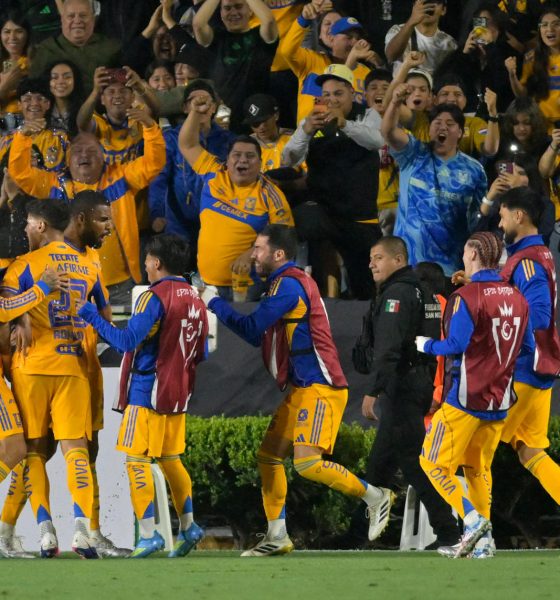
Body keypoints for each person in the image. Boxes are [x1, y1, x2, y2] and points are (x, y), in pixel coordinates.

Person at [201, 224, 394, 556]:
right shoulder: (283, 284)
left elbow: (251, 326)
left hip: (321, 387)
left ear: (279, 254)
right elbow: (255, 335)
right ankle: (277, 535)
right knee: (269, 457)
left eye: (258, 249)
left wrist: (214, 303)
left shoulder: (289, 286)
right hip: (303, 388)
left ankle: (375, 496)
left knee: (307, 464)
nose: (253, 255)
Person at [78, 234, 208, 559]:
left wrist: (92, 316)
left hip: (147, 391)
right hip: (179, 391)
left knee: (136, 461)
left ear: (156, 263)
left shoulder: (154, 296)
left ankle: (149, 535)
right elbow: (201, 350)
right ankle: (190, 527)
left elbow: (126, 341)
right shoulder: (194, 297)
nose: (145, 265)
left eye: (148, 259)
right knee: (170, 460)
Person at [0, 198, 110, 559]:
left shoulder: (25, 265)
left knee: (33, 450)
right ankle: (82, 531)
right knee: (75, 449)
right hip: (73, 366)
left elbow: (2, 309)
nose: (26, 228)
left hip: (31, 366)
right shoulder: (87, 265)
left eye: (30, 222)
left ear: (42, 225)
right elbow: (104, 316)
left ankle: (46, 532)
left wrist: (26, 310)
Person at [417, 231, 532, 558]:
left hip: (465, 400)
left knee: (432, 463)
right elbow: (526, 349)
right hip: (499, 401)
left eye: (466, 255)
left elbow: (455, 346)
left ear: (474, 257)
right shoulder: (518, 298)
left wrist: (425, 344)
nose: (463, 259)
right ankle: (485, 544)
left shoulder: (466, 297)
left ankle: (472, 521)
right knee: (477, 469)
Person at [7, 103, 166, 309]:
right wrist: (23, 137)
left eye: (92, 150)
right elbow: (20, 173)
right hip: (68, 285)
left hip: (120, 287)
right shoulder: (54, 186)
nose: (84, 155)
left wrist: (150, 127)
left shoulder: (121, 178)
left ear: (103, 157)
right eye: (78, 150)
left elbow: (155, 162)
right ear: (68, 159)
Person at [360, 236, 460, 549]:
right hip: (416, 382)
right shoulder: (425, 292)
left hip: (401, 385)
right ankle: (357, 534)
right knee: (379, 465)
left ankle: (450, 530)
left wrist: (374, 390)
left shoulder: (398, 294)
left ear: (398, 259)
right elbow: (427, 348)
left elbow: (389, 348)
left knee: (414, 463)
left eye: (378, 257)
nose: (371, 264)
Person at [178, 89, 293, 300]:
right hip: (207, 286)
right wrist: (195, 112)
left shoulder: (270, 193)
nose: (243, 160)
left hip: (248, 288)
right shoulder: (214, 173)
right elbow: (187, 144)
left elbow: (285, 239)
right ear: (227, 160)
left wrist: (252, 253)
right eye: (237, 155)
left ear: (260, 163)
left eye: (250, 156)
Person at [282, 64, 384, 299]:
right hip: (325, 213)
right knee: (315, 231)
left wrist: (345, 124)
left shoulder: (367, 115)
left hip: (360, 216)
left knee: (365, 285)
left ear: (352, 94)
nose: (332, 100)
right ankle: (324, 299)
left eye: (338, 94)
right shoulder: (312, 122)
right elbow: (288, 159)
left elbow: (377, 141)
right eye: (326, 95)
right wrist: (305, 130)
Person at [497, 187, 560, 511]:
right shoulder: (539, 254)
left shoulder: (528, 260)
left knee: (470, 447)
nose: (500, 220)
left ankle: (469, 529)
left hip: (522, 370)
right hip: (541, 369)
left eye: (503, 214)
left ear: (519, 216)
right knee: (531, 453)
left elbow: (538, 314)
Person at [381, 83, 487, 276]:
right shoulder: (413, 153)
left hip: (451, 268)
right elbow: (388, 131)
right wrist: (395, 102)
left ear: (461, 133)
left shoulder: (474, 170)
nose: (442, 127)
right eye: (437, 122)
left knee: (442, 307)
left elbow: (478, 218)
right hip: (408, 264)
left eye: (450, 124)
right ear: (429, 129)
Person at [149, 79, 234, 249]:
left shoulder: (229, 141)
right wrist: (157, 213)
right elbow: (159, 177)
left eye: (205, 100)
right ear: (185, 108)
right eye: (194, 101)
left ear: (214, 107)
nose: (200, 105)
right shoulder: (171, 138)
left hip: (216, 221)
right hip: (178, 223)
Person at [279, 3, 377, 123]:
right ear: (329, 37)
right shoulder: (311, 60)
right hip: (311, 136)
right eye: (348, 37)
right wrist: (303, 19)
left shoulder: (366, 72)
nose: (354, 43)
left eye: (357, 38)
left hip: (349, 136)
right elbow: (286, 51)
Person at [192, 0, 279, 132]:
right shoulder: (216, 38)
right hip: (224, 117)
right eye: (227, 8)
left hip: (258, 118)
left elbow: (269, 21)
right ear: (221, 13)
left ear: (250, 11)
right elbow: (198, 24)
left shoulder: (260, 37)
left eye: (239, 7)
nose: (233, 12)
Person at [29, 0, 122, 97]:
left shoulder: (112, 48)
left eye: (83, 16)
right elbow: (33, 89)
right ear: (62, 20)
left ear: (93, 19)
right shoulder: (47, 49)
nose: (77, 21)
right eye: (71, 16)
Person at [506, 6, 560, 130]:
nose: (549, 29)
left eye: (556, 24)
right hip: (542, 128)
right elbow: (522, 95)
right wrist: (512, 75)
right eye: (544, 25)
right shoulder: (532, 58)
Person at [0, 77, 68, 173]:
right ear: (19, 105)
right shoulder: (6, 141)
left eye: (40, 99)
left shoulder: (61, 138)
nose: (35, 103)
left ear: (48, 104)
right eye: (27, 99)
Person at [385, 0, 457, 76]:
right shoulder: (398, 30)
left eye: (433, 2)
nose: (428, 7)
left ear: (443, 10)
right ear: (414, 7)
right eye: (425, 2)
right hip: (402, 87)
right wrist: (411, 22)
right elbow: (391, 56)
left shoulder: (449, 43)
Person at [0, 9, 31, 123]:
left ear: (27, 34)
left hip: (28, 125)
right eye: (7, 32)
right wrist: (5, 86)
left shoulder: (37, 63)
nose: (12, 37)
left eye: (19, 31)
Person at [47, 60, 84, 136]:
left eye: (67, 77)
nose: (60, 81)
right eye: (55, 77)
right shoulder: (41, 109)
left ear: (75, 81)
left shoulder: (84, 110)